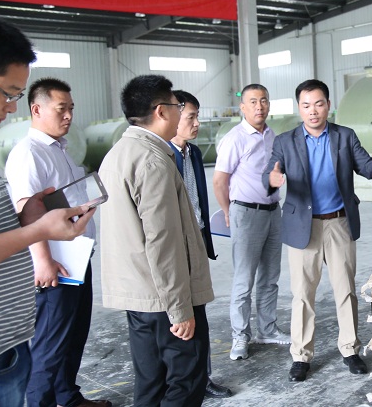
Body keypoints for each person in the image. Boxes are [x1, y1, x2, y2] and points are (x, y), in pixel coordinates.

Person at [0, 15, 93, 407]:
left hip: (2, 346)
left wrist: (25, 217)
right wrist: (36, 232)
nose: (12, 107)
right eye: (7, 92)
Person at [99, 75, 214, 407]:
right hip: (165, 298)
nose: (181, 113)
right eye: (178, 106)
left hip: (138, 296)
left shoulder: (119, 153)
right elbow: (163, 243)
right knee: (186, 382)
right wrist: (180, 309)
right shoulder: (153, 162)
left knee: (151, 383)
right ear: (161, 111)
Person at [263, 79, 372, 383]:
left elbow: (365, 164)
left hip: (339, 223)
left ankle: (350, 349)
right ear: (299, 108)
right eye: (306, 105)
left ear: (328, 105)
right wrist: (272, 180)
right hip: (302, 227)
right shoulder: (285, 141)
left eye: (319, 104)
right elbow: (270, 172)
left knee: (345, 290)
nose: (313, 110)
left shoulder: (344, 136)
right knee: (302, 294)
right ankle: (301, 356)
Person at [5, 78, 110, 407]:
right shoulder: (29, 154)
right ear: (36, 109)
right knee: (51, 343)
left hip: (77, 256)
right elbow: (26, 211)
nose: (68, 116)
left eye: (71, 109)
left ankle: (68, 396)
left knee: (74, 334)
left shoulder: (60, 149)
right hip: (56, 263)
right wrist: (43, 261)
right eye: (61, 109)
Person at [213, 84, 290, 363]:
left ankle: (267, 329)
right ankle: (240, 335)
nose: (260, 106)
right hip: (245, 213)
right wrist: (228, 212)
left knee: (270, 276)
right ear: (243, 107)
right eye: (253, 102)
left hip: (272, 212)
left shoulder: (272, 136)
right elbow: (219, 181)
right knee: (244, 279)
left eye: (264, 101)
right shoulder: (234, 139)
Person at [169, 90, 232, 400]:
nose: (197, 123)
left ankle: (202, 378)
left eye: (197, 116)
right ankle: (181, 382)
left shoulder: (192, 152)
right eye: (191, 117)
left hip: (197, 241)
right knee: (179, 318)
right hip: (173, 247)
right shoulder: (161, 155)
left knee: (200, 315)